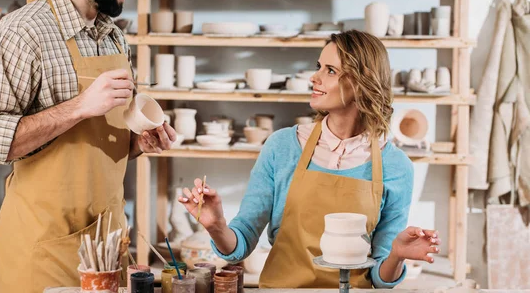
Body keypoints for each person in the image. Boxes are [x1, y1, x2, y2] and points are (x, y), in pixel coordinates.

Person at [0, 0, 175, 293]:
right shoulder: (23, 32)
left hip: (106, 243)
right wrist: (80, 106)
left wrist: (136, 143)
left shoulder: (111, 34)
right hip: (43, 249)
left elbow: (90, 145)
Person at [179, 30, 440, 288]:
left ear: (362, 81)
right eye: (319, 66)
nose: (314, 77)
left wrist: (397, 254)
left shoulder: (396, 166)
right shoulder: (282, 147)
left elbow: (380, 277)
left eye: (330, 70)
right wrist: (217, 226)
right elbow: (241, 244)